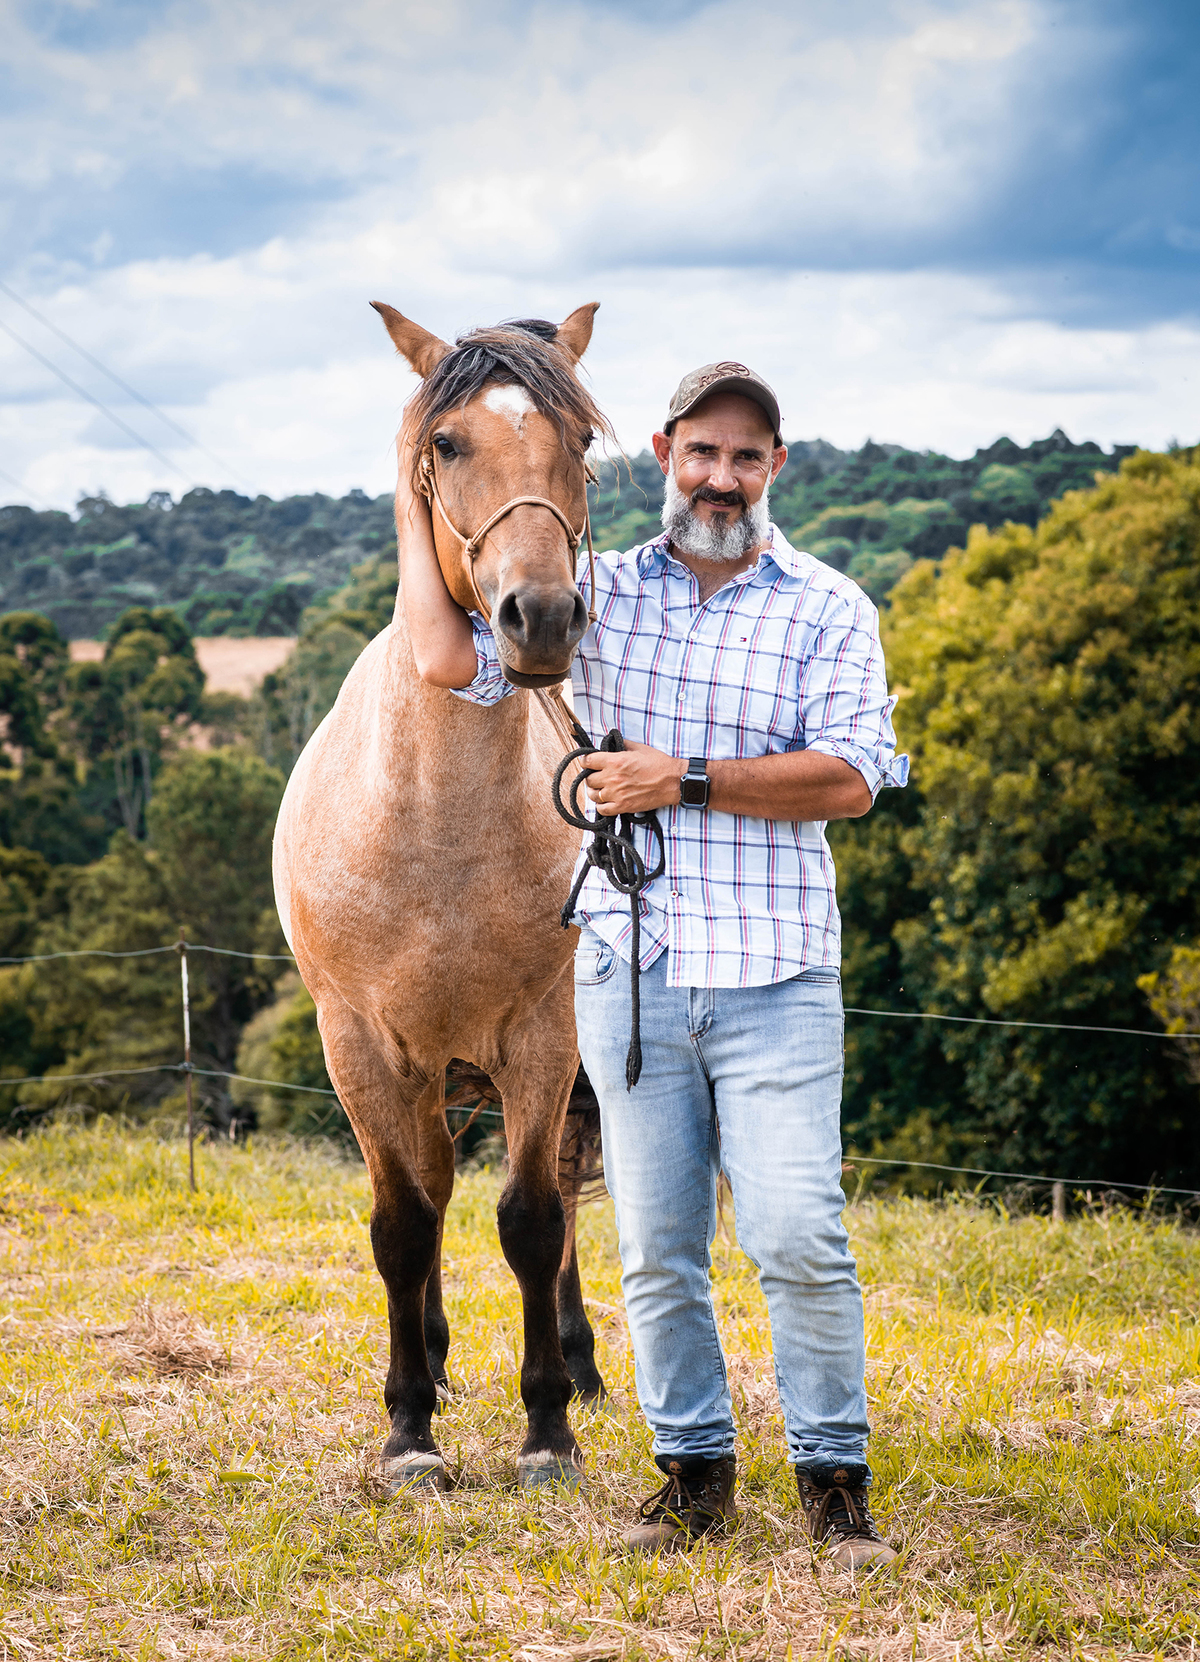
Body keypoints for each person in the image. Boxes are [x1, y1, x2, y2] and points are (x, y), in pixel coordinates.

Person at [397, 353, 908, 1570]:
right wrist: (411, 485)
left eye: (745, 457)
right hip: (631, 978)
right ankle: (695, 1479)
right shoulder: (600, 595)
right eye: (701, 453)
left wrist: (677, 779)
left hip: (776, 974)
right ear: (665, 461)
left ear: (773, 467)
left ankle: (836, 1488)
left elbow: (850, 780)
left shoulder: (828, 605)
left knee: (796, 1238)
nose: (721, 478)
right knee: (654, 1251)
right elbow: (441, 656)